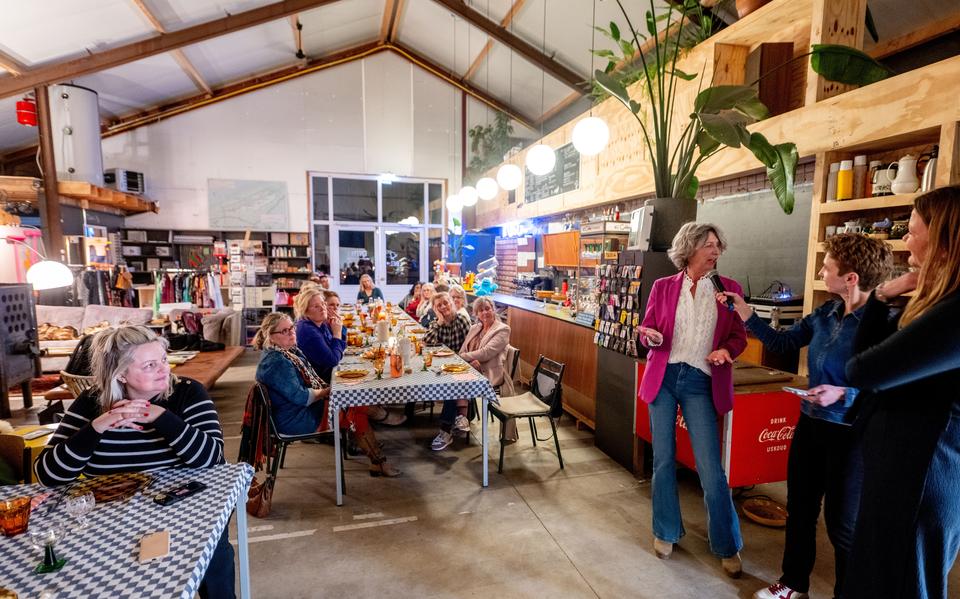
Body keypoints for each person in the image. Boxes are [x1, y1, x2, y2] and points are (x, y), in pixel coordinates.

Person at [720, 234, 892, 599]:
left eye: (827, 267)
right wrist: (746, 312)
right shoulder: (825, 314)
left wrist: (845, 393)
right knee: (800, 511)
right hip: (811, 425)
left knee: (843, 525)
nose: (820, 272)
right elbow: (782, 343)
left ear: (851, 278)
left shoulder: (884, 323)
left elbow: (888, 384)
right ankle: (794, 583)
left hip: (852, 435)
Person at [34, 325, 234, 599]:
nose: (165, 370)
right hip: (111, 518)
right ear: (120, 374)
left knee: (212, 555)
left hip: (186, 510)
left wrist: (160, 417)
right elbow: (49, 475)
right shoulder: (93, 402)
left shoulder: (187, 393)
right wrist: (98, 427)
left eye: (163, 360)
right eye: (151, 365)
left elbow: (211, 458)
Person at [841, 187, 960, 599]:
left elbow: (862, 370)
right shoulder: (931, 303)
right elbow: (864, 359)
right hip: (895, 471)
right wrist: (880, 297)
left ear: (944, 239)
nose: (905, 240)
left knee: (906, 584)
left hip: (920, 479)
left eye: (912, 231)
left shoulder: (955, 313)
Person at [636, 222, 746, 578]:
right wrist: (650, 335)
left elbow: (738, 337)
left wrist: (725, 351)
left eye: (717, 245)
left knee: (711, 468)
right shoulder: (664, 287)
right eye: (707, 245)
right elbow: (649, 328)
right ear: (689, 249)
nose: (714, 251)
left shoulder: (729, 289)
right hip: (664, 377)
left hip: (701, 380)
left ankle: (727, 544)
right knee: (664, 460)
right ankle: (665, 531)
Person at [253, 313, 400, 477]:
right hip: (295, 419)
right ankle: (380, 452)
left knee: (351, 399)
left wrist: (330, 391)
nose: (292, 333)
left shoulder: (286, 352)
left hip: (297, 410)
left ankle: (378, 447)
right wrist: (327, 391)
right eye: (284, 331)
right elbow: (302, 397)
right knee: (352, 408)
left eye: (291, 328)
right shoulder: (277, 362)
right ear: (271, 337)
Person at [422, 292, 473, 451]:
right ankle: (461, 417)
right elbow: (427, 342)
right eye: (439, 305)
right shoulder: (436, 323)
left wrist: (459, 361)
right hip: (442, 367)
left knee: (452, 384)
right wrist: (440, 321)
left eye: (446, 303)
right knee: (447, 381)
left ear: (452, 302)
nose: (444, 307)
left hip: (462, 364)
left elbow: (469, 346)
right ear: (435, 309)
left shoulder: (462, 321)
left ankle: (445, 431)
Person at [294, 286, 344, 384]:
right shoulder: (309, 331)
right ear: (305, 310)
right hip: (319, 383)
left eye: (323, 304)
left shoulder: (319, 323)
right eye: (316, 306)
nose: (322, 308)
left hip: (326, 374)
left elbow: (339, 348)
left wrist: (337, 326)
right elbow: (333, 360)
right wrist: (337, 333)